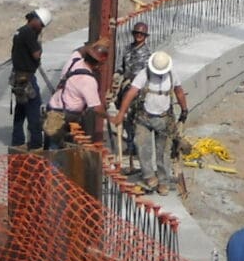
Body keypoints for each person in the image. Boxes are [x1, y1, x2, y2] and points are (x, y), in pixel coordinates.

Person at [113, 48, 187, 194]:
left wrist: (184, 110)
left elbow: (179, 91)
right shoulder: (144, 74)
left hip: (164, 119)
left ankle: (163, 181)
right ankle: (149, 176)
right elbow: (131, 92)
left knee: (163, 152)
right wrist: (121, 113)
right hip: (144, 118)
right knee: (143, 148)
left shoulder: (171, 75)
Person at [44, 39, 109, 149]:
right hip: (66, 115)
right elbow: (96, 108)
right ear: (98, 64)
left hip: (53, 109)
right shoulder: (88, 81)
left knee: (54, 147)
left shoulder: (74, 61)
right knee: (58, 151)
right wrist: (111, 118)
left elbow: (79, 50)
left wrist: (95, 44)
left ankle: (53, 162)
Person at [111, 20, 154, 170]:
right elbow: (122, 66)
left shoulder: (148, 55)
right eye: (136, 33)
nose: (138, 36)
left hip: (139, 91)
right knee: (127, 119)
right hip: (126, 88)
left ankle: (137, 147)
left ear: (145, 36)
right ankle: (130, 146)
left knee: (137, 119)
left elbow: (149, 75)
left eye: (141, 34)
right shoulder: (128, 49)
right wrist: (117, 75)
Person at [9, 8, 50, 151]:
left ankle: (17, 141)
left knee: (21, 109)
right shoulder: (28, 33)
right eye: (42, 25)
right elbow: (36, 55)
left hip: (18, 77)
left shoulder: (20, 31)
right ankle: (36, 143)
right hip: (27, 79)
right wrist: (38, 42)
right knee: (34, 110)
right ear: (36, 20)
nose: (41, 28)